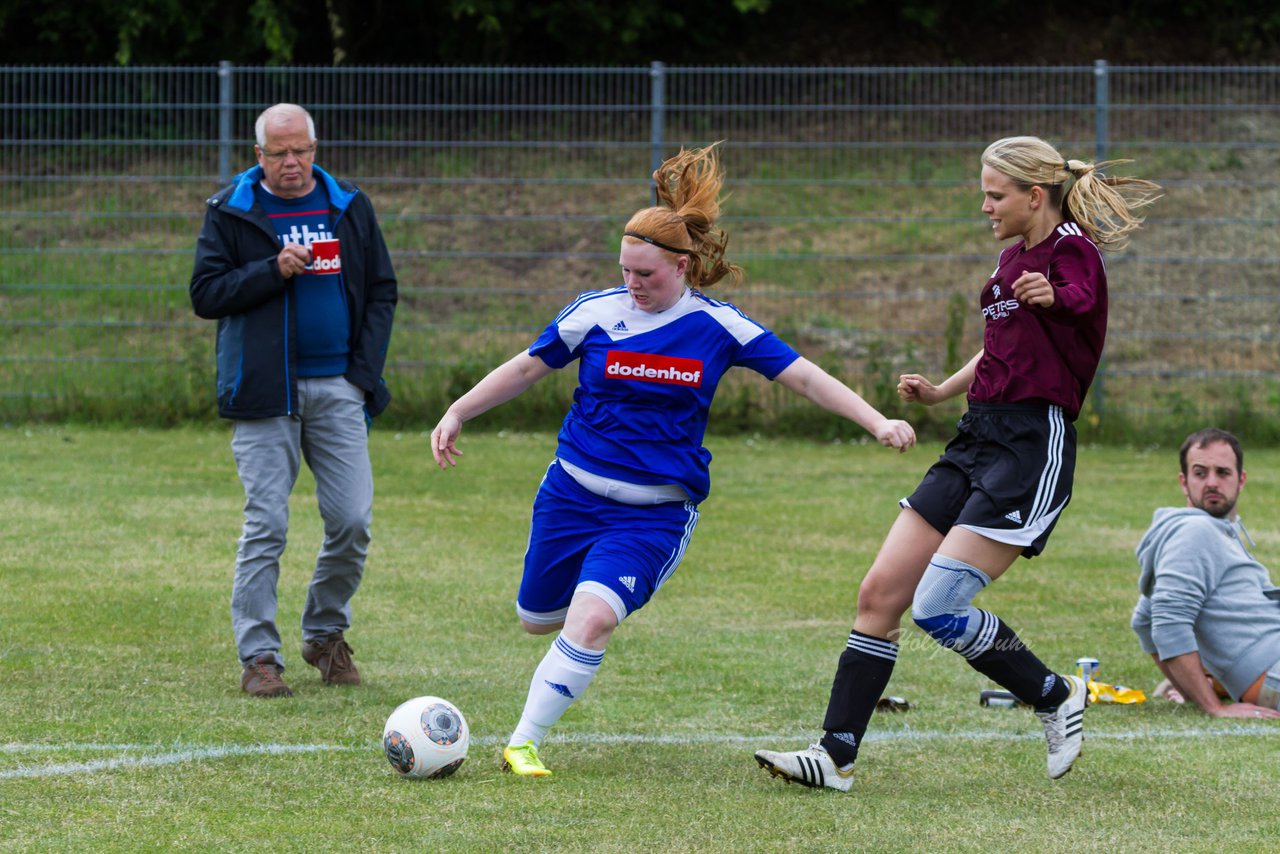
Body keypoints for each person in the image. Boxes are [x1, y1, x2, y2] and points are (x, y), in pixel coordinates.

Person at [429, 143, 917, 777]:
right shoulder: (595, 314)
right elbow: (526, 368)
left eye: (646, 275)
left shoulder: (719, 327)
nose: (632, 285)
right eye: (626, 271)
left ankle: (523, 742)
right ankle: (564, 626)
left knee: (593, 617)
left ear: (682, 266)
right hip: (570, 495)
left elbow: (803, 377)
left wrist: (877, 420)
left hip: (651, 514)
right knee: (534, 619)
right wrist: (458, 410)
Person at [754, 135, 1162, 790]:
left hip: (1032, 445)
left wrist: (1054, 297)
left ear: (1035, 196)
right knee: (880, 595)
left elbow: (1080, 302)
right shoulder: (1009, 265)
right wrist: (944, 391)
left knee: (938, 605)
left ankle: (1055, 694)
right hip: (974, 439)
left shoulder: (1072, 253)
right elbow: (1002, 340)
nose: (984, 205)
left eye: (995, 195)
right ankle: (835, 756)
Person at [190, 103, 398, 698]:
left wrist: (362, 374)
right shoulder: (232, 211)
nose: (291, 162)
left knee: (352, 520)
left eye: (301, 150)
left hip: (338, 387)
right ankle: (260, 657)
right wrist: (271, 269)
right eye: (278, 152)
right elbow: (205, 294)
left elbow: (381, 291)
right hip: (263, 392)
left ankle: (324, 634)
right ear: (258, 156)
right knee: (267, 524)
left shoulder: (347, 205)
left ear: (315, 147)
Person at [1131, 428, 1280, 719]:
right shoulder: (1194, 532)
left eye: (1223, 472)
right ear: (1184, 482)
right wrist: (1212, 706)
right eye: (1201, 473)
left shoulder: (1210, 531)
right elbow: (1167, 621)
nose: (1212, 482)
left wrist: (1191, 687)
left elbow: (1143, 620)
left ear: (1241, 480)